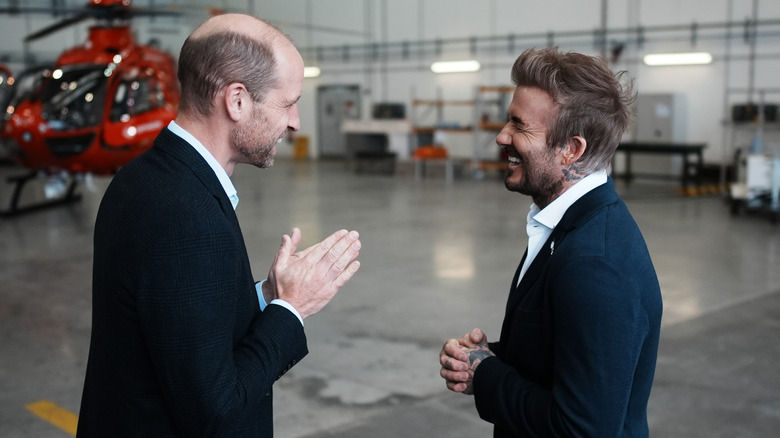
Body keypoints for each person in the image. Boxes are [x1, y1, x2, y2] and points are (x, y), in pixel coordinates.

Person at [77, 14, 362, 437]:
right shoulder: (186, 217)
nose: (296, 121)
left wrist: (267, 295)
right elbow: (217, 411)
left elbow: (181, 321)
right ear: (237, 100)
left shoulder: (145, 178)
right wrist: (292, 309)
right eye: (288, 103)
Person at [439, 47, 663, 437]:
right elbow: (566, 354)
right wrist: (490, 357)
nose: (501, 136)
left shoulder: (594, 263)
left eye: (519, 126)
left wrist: (487, 375)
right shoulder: (567, 225)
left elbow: (582, 428)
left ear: (571, 150)